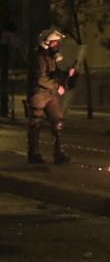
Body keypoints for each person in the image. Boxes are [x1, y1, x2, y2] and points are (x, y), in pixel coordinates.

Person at [27, 28, 77, 164]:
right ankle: (33, 153)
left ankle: (58, 153)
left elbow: (54, 74)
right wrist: (57, 86)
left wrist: (67, 75)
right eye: (55, 43)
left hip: (50, 94)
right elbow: (41, 79)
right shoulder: (39, 57)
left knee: (57, 122)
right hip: (39, 94)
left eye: (57, 43)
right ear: (46, 43)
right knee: (35, 123)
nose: (57, 45)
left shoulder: (50, 57)